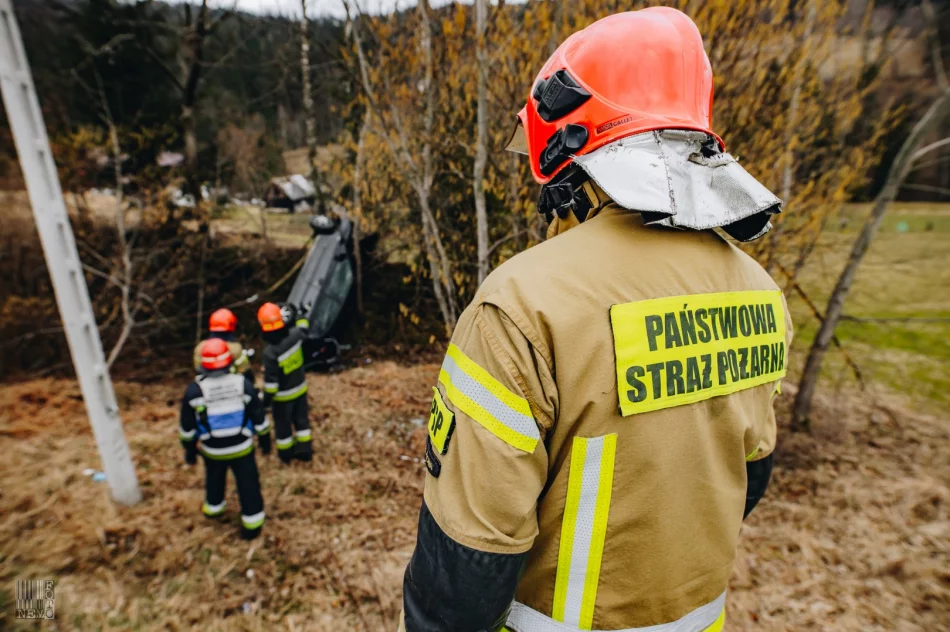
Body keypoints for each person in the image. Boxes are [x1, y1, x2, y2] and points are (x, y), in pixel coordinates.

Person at [399, 8, 793, 632]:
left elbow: (466, 567)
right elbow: (748, 478)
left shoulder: (523, 302)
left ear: (565, 144)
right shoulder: (759, 289)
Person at [179, 338, 271, 540]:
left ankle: (214, 508)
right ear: (230, 361)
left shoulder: (194, 390)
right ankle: (252, 523)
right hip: (242, 447)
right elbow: (258, 416)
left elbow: (187, 426)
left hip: (212, 449)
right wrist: (265, 440)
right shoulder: (243, 384)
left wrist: (190, 450)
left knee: (214, 478)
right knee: (248, 485)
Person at [257, 302, 312, 463]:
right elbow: (304, 327)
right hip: (300, 389)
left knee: (283, 428)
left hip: (282, 399)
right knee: (302, 421)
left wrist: (265, 400)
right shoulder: (296, 336)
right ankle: (305, 451)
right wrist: (301, 314)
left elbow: (271, 384)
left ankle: (286, 455)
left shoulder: (270, 353)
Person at [193, 308, 253, 381]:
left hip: (205, 387)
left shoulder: (200, 347)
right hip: (231, 387)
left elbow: (197, 370)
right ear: (232, 324)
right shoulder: (235, 348)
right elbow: (245, 370)